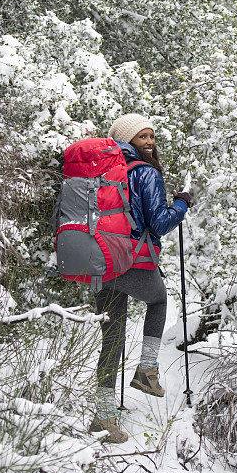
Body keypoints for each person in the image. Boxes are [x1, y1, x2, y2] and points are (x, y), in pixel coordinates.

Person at [89, 113, 191, 443]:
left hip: (100, 259)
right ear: (127, 139)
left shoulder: (101, 169)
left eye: (151, 136)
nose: (149, 142)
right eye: (142, 136)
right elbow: (158, 223)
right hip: (131, 260)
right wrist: (182, 204)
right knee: (159, 300)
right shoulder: (146, 172)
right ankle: (147, 371)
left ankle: (103, 416)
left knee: (112, 337)